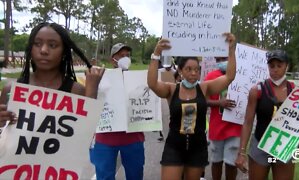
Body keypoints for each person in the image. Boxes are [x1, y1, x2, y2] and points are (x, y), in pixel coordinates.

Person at [147, 33, 236, 180]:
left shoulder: (204, 88)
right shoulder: (171, 89)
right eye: (188, 69)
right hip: (174, 147)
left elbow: (229, 77)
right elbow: (152, 84)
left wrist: (231, 50)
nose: (194, 73)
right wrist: (156, 55)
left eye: (196, 69)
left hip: (197, 148)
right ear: (180, 71)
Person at [0, 22, 104, 128]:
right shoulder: (10, 89)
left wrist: (91, 92)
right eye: (37, 44)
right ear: (30, 49)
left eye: (52, 45)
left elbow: (86, 133)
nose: (43, 50)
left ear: (64, 52)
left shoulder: (77, 91)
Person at [235, 50, 299, 180]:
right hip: (260, 145)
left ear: (287, 66)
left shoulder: (295, 91)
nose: (275, 69)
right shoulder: (257, 90)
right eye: (272, 66)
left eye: (279, 66)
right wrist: (241, 152)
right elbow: (248, 122)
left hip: (284, 147)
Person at [90, 43, 145, 180]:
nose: (125, 58)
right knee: (104, 176)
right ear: (112, 59)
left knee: (135, 175)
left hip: (133, 137)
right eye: (121, 56)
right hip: (105, 137)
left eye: (127, 55)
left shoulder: (139, 80)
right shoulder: (101, 78)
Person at [204, 57, 241, 180]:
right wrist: (219, 103)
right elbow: (203, 100)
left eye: (225, 58)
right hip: (217, 127)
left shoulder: (241, 75)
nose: (222, 62)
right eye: (219, 59)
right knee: (216, 161)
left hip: (235, 127)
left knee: (232, 163)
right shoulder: (211, 76)